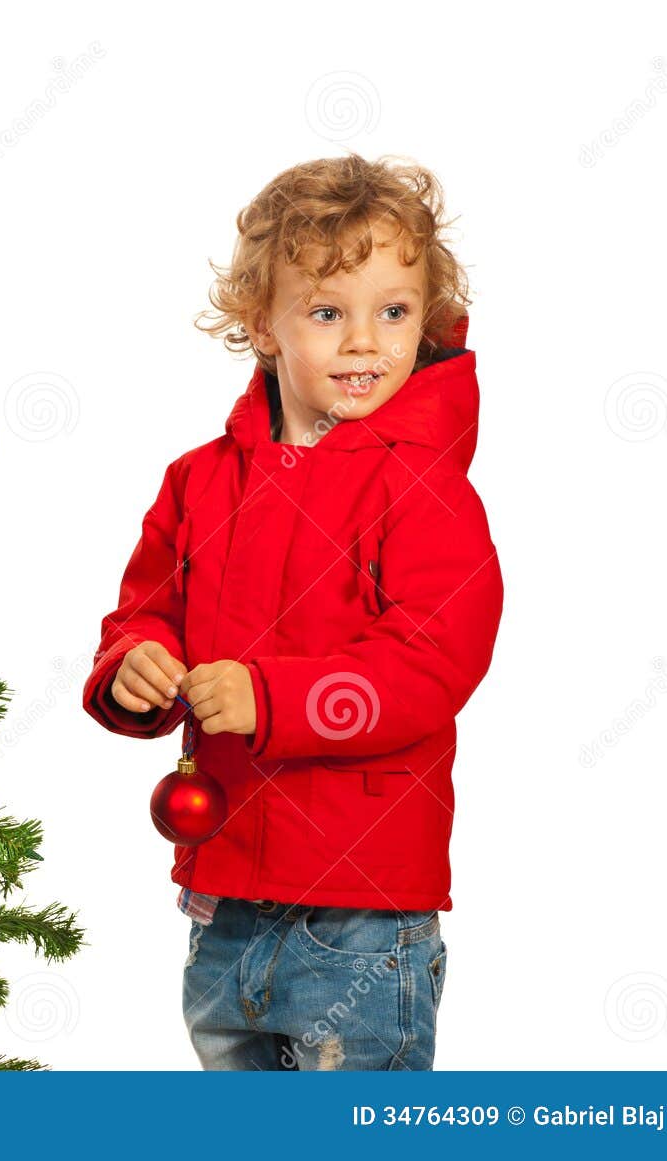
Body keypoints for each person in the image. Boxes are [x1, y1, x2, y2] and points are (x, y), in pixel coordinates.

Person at [82, 154, 504, 1070]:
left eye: (394, 312)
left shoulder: (423, 484)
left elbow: (432, 658)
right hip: (224, 897)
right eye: (327, 312)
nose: (365, 342)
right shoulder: (199, 480)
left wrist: (275, 698)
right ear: (259, 327)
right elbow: (144, 610)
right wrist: (137, 665)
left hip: (360, 912)